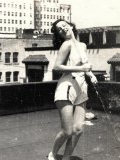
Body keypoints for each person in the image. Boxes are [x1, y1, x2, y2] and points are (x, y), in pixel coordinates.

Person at [48, 19, 98, 160]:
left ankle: (66, 157)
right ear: (59, 34)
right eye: (59, 29)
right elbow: (57, 67)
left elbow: (85, 64)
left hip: (82, 87)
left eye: (64, 25)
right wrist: (81, 68)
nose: (62, 28)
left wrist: (90, 74)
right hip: (67, 87)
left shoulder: (82, 45)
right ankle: (53, 154)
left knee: (78, 129)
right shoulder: (66, 44)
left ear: (71, 26)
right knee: (67, 131)